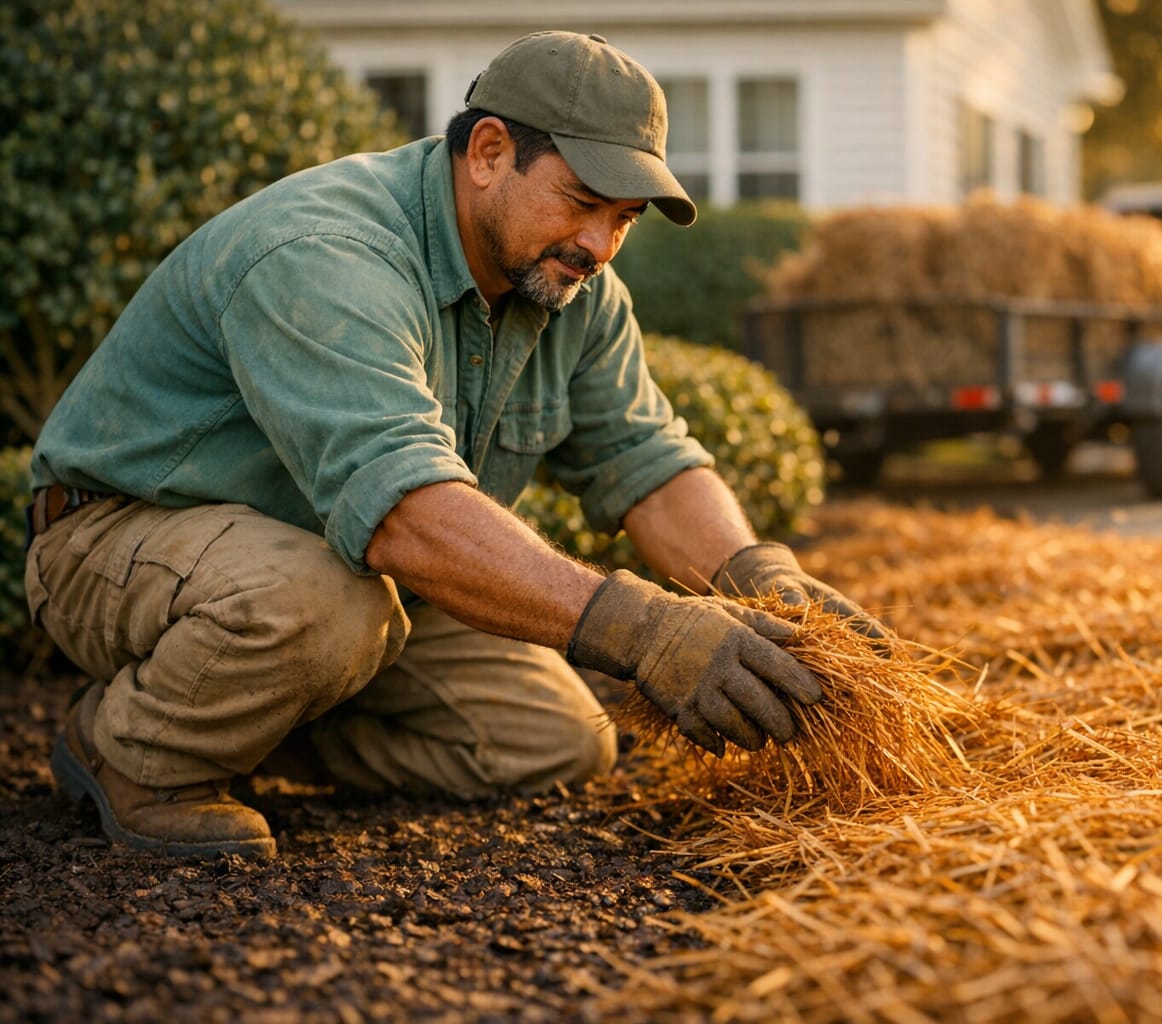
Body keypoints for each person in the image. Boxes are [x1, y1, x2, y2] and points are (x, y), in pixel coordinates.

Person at [23, 30, 883, 861]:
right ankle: (133, 753)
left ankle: (239, 726)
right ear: (488, 152)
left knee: (549, 739)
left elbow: (646, 463)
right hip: (117, 540)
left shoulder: (572, 292)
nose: (600, 245)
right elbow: (407, 519)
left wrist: (760, 579)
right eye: (582, 202)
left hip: (343, 573)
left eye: (623, 218)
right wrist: (647, 632)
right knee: (324, 606)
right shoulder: (331, 253)